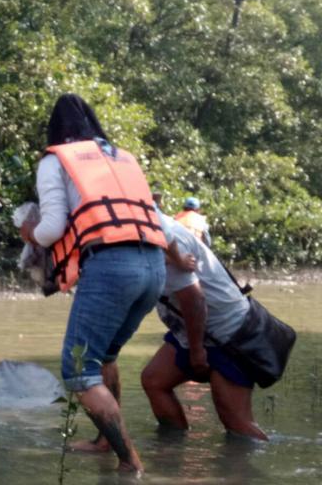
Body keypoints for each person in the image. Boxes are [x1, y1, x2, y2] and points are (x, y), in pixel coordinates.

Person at [19, 93, 167, 473]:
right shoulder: (122, 157)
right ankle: (104, 442)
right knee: (105, 356)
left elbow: (52, 229)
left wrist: (30, 233)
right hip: (154, 266)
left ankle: (130, 464)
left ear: (55, 130)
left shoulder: (56, 160)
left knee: (78, 372)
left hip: (112, 266)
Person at [141, 214, 267, 440]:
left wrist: (197, 351)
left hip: (228, 333)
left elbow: (195, 300)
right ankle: (172, 447)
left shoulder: (166, 238)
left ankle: (259, 458)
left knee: (236, 422)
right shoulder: (146, 232)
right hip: (193, 328)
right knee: (154, 380)